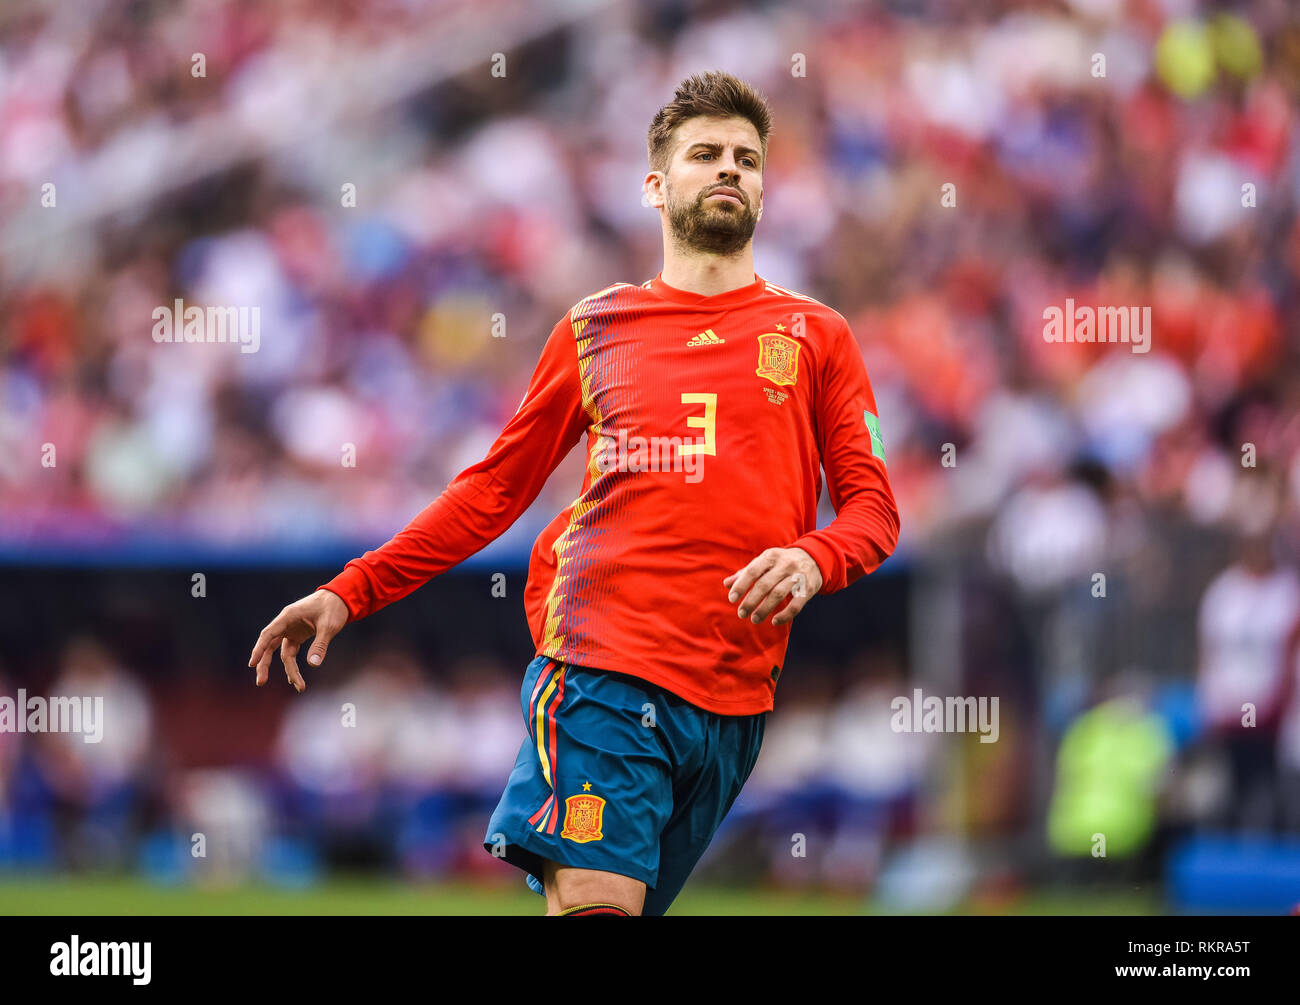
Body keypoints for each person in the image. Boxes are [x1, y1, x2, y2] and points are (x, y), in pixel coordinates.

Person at [247, 70, 900, 915]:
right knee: (598, 904)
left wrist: (814, 560)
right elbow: (491, 491)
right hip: (603, 669)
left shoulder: (817, 336)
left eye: (748, 157)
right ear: (657, 186)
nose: (731, 169)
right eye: (706, 154)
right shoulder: (596, 329)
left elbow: (874, 511)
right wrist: (351, 588)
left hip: (733, 702)